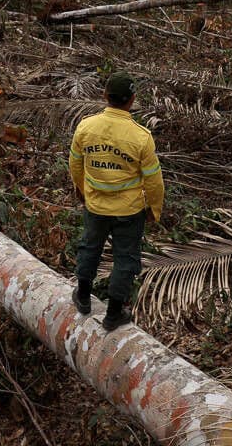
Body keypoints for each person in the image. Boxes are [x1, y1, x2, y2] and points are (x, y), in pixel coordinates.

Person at [68, 71, 164, 331]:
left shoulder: (86, 127)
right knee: (125, 259)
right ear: (132, 100)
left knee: (90, 248)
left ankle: (84, 298)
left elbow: (75, 164)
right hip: (129, 211)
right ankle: (113, 314)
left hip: (96, 206)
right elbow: (154, 180)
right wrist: (155, 208)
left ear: (104, 96)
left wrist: (81, 189)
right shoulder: (141, 136)